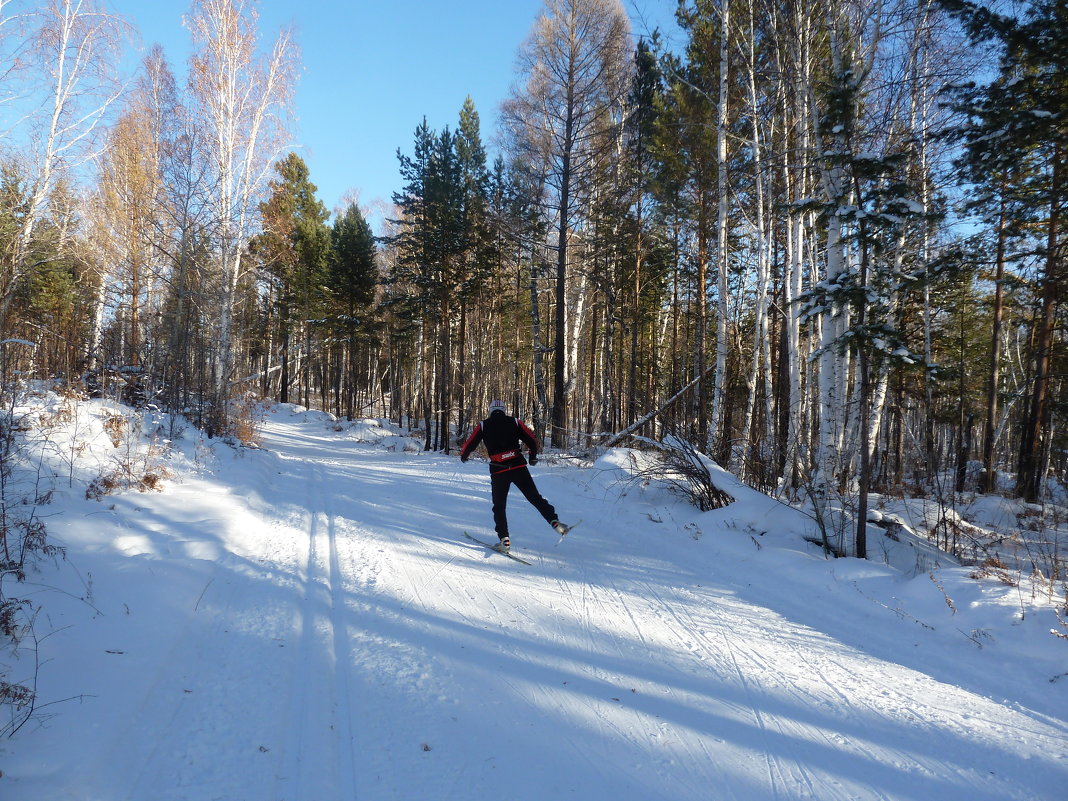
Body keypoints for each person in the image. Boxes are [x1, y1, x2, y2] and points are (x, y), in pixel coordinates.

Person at [460, 399, 568, 553]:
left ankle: (504, 540)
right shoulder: (515, 422)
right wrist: (533, 456)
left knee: (499, 506)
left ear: (490, 411)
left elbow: (470, 443)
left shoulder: (483, 425)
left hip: (499, 471)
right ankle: (555, 522)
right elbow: (531, 439)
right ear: (504, 410)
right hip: (518, 467)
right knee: (535, 498)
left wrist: (464, 455)